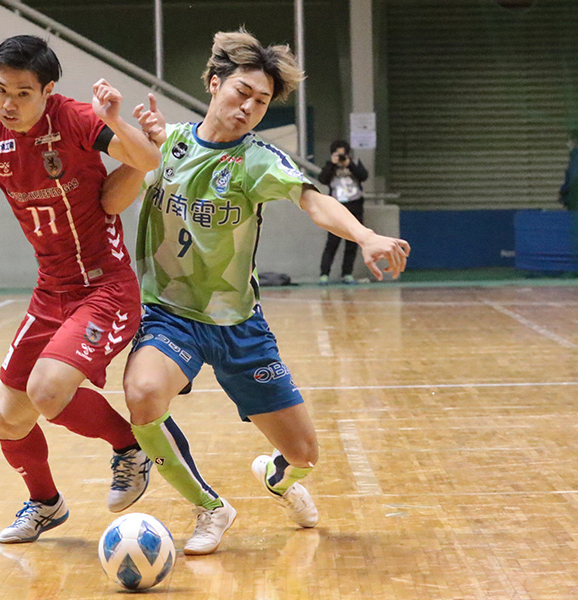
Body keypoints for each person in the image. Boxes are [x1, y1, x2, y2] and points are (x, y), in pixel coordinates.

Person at [102, 28, 410, 555]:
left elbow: (313, 201)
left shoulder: (257, 159)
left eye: (261, 101)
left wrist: (365, 235)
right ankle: (209, 508)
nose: (248, 107)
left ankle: (277, 478)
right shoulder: (165, 142)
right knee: (144, 393)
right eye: (241, 92)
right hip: (170, 315)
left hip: (239, 324)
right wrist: (137, 148)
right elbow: (110, 197)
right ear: (214, 83)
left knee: (305, 454)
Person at [0, 35, 162, 544]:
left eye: (23, 93)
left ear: (48, 90)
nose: (8, 103)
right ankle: (46, 504)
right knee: (8, 419)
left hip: (105, 287)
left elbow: (148, 159)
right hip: (51, 291)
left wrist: (116, 121)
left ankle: (130, 447)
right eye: (0, 89)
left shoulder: (76, 120)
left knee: (47, 392)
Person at [317, 140, 369, 284]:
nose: (340, 157)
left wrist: (349, 164)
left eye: (343, 154)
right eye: (337, 154)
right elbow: (322, 179)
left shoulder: (354, 163)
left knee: (352, 243)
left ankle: (347, 273)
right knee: (332, 243)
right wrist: (332, 164)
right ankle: (324, 274)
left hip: (354, 206)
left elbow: (364, 176)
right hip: (336, 207)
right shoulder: (330, 166)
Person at [559, 129, 578, 211]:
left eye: (568, 140)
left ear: (575, 140)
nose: (567, 144)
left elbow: (575, 176)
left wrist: (564, 191)